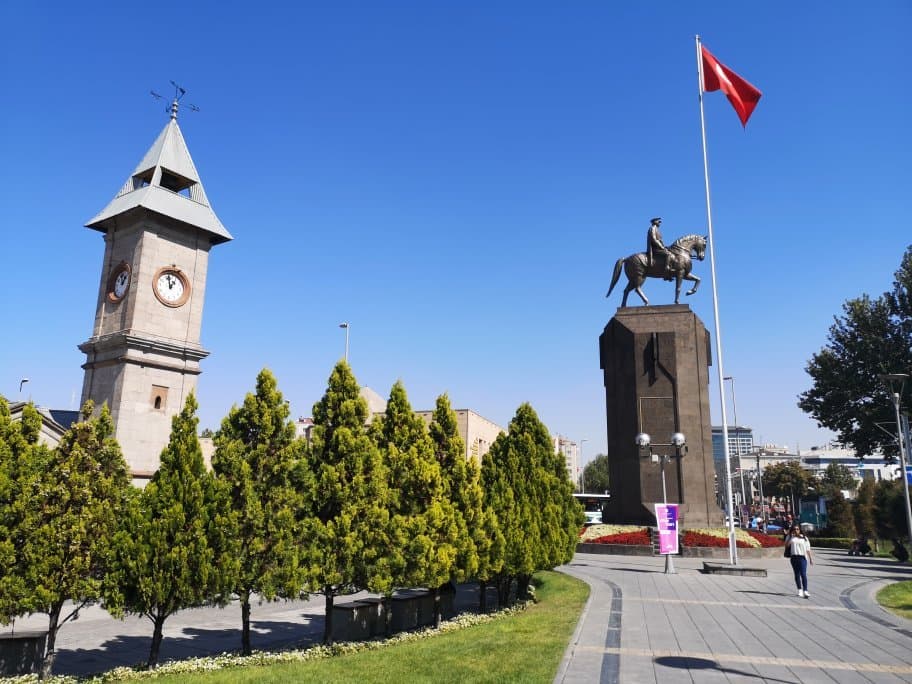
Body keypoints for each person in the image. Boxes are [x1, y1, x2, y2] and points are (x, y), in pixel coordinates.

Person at [785, 525, 813, 598]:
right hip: (794, 557)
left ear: (800, 530)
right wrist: (791, 537)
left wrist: (810, 559)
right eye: (794, 529)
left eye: (797, 529)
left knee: (803, 574)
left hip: (802, 558)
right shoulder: (790, 537)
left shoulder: (804, 538)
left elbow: (808, 549)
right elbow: (786, 546)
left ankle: (805, 590)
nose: (796, 530)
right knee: (797, 574)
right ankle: (799, 590)